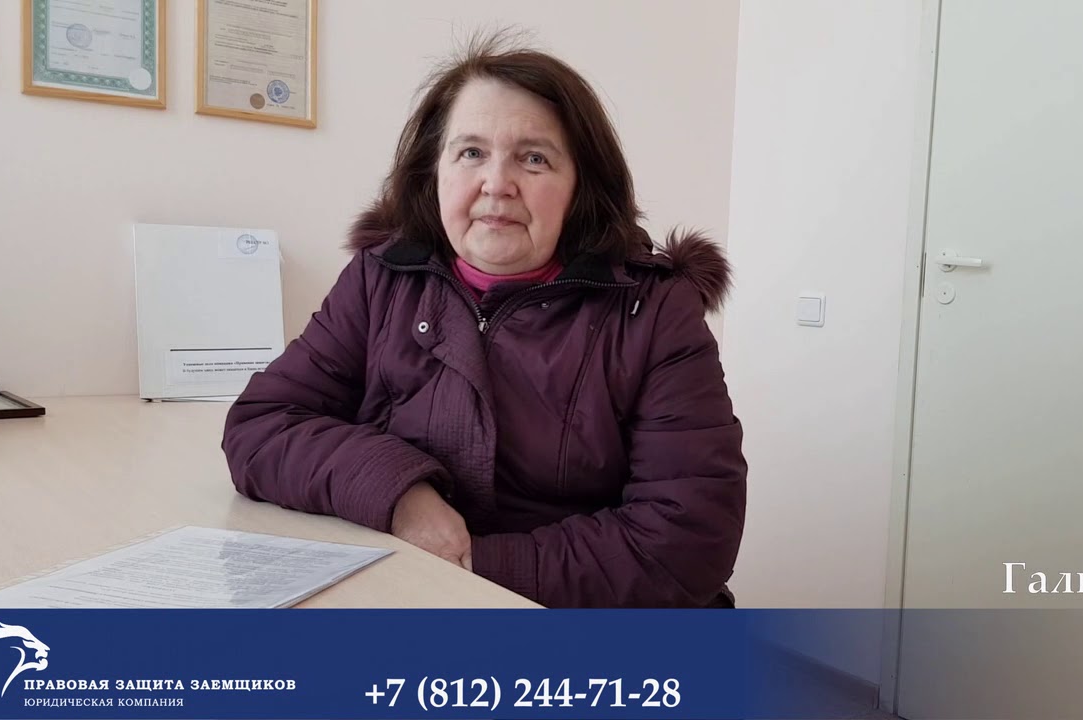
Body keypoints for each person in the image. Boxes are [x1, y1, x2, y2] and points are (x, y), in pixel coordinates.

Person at [221, 34, 747, 608]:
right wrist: (402, 496)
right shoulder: (381, 279)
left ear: (581, 186)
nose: (497, 183)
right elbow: (263, 423)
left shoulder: (654, 310)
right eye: (471, 152)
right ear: (434, 171)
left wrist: (468, 568)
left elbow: (688, 537)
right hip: (409, 595)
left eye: (534, 158)